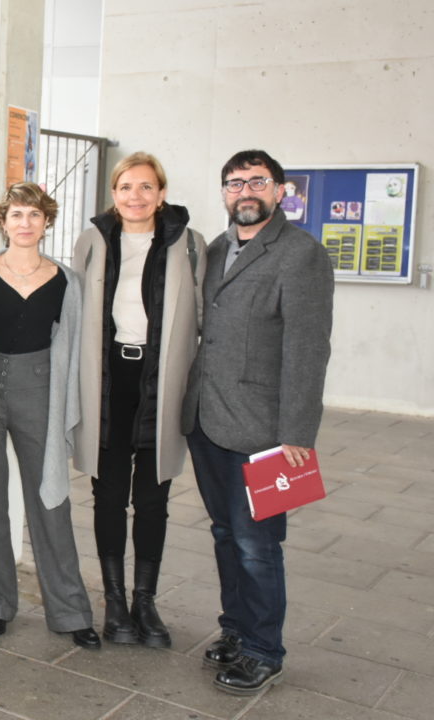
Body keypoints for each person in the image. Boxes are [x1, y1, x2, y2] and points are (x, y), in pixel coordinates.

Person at [183, 149, 334, 694]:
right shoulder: (219, 247)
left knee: (258, 544)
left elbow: (308, 347)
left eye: (256, 181)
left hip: (264, 431)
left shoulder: (300, 254)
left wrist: (297, 432)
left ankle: (265, 649)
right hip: (206, 419)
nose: (244, 191)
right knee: (225, 534)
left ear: (278, 190)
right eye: (233, 183)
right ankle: (236, 629)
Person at [0, 183, 99, 650]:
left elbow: (75, 349)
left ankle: (70, 610)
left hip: (42, 387)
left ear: (46, 221)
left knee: (51, 500)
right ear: (3, 221)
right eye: (16, 214)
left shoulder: (66, 281)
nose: (25, 222)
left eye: (35, 214)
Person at [72, 153, 205, 649]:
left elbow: (202, 317)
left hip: (161, 379)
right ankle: (114, 603)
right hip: (109, 379)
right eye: (126, 187)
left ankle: (146, 601)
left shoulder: (187, 243)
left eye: (146, 187)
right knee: (107, 495)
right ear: (114, 193)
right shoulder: (93, 241)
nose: (135, 196)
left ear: (161, 193)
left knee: (153, 498)